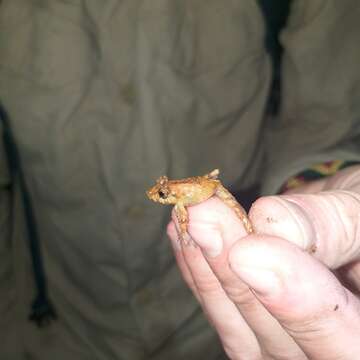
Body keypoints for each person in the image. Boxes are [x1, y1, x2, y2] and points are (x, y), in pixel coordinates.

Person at [0, 1, 359, 359]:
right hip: (63, 325)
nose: (157, 197)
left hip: (215, 325)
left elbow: (323, 122)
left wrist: (304, 194)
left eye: (159, 193)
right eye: (160, 193)